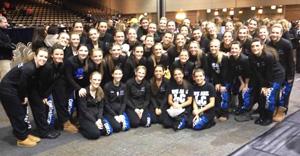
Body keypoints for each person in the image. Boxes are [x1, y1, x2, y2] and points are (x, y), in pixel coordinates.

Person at [0, 47, 49, 147]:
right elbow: (22, 84)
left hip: (15, 87)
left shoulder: (35, 67)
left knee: (22, 112)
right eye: (41, 56)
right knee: (17, 113)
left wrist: (25, 95)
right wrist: (24, 96)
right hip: (7, 89)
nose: (43, 59)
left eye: (45, 57)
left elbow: (26, 83)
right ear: (35, 56)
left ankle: (25, 133)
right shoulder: (30, 68)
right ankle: (21, 138)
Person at [249, 38, 285, 126]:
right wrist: (263, 85)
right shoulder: (251, 56)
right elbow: (257, 72)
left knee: (269, 96)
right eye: (253, 46)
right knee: (261, 95)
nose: (255, 48)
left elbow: (269, 72)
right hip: (264, 77)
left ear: (262, 46)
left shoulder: (268, 56)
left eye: (257, 46)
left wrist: (267, 86)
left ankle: (269, 117)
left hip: (276, 76)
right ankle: (262, 116)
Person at [267, 24, 295, 122]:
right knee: (275, 92)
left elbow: (290, 61)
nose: (274, 34)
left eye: (277, 33)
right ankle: (275, 107)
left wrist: (290, 76)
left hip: (287, 72)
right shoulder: (268, 44)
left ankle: (282, 110)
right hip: (276, 73)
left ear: (281, 34)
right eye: (273, 32)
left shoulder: (286, 44)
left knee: (284, 93)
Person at [78, 71, 113, 139]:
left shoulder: (100, 91)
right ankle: (81, 128)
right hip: (86, 117)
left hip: (96, 115)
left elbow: (101, 107)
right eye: (94, 79)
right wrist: (95, 122)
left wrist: (99, 119)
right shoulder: (84, 92)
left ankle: (95, 127)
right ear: (90, 80)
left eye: (98, 80)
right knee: (96, 134)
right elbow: (84, 111)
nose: (96, 82)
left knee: (107, 131)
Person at [227, 41, 255, 122]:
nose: (234, 50)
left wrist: (246, 84)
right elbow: (237, 71)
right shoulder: (232, 58)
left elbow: (248, 73)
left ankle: (247, 111)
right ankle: (241, 107)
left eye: (236, 48)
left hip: (250, 79)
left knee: (245, 93)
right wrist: (242, 83)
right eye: (232, 48)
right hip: (241, 78)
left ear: (240, 49)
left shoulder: (244, 59)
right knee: (240, 92)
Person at [207, 39, 230, 121]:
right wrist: (216, 82)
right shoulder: (208, 56)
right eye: (211, 46)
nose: (213, 48)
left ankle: (224, 113)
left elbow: (225, 72)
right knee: (215, 96)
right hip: (216, 79)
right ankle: (217, 112)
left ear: (219, 47)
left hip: (225, 80)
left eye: (215, 46)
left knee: (224, 96)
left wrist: (223, 84)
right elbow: (211, 71)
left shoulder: (224, 57)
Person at [103, 67, 130, 132]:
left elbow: (124, 101)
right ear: (112, 75)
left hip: (120, 110)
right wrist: (115, 116)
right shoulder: (107, 86)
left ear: (122, 75)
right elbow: (106, 103)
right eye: (116, 74)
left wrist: (121, 114)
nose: (118, 76)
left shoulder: (124, 86)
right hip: (110, 111)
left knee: (125, 127)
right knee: (117, 128)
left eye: (119, 74)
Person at [0, 16, 16, 81]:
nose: (7, 24)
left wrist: (11, 55)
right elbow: (2, 44)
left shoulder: (3, 32)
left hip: (6, 57)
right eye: (5, 22)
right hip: (3, 59)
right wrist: (11, 46)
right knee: (4, 78)